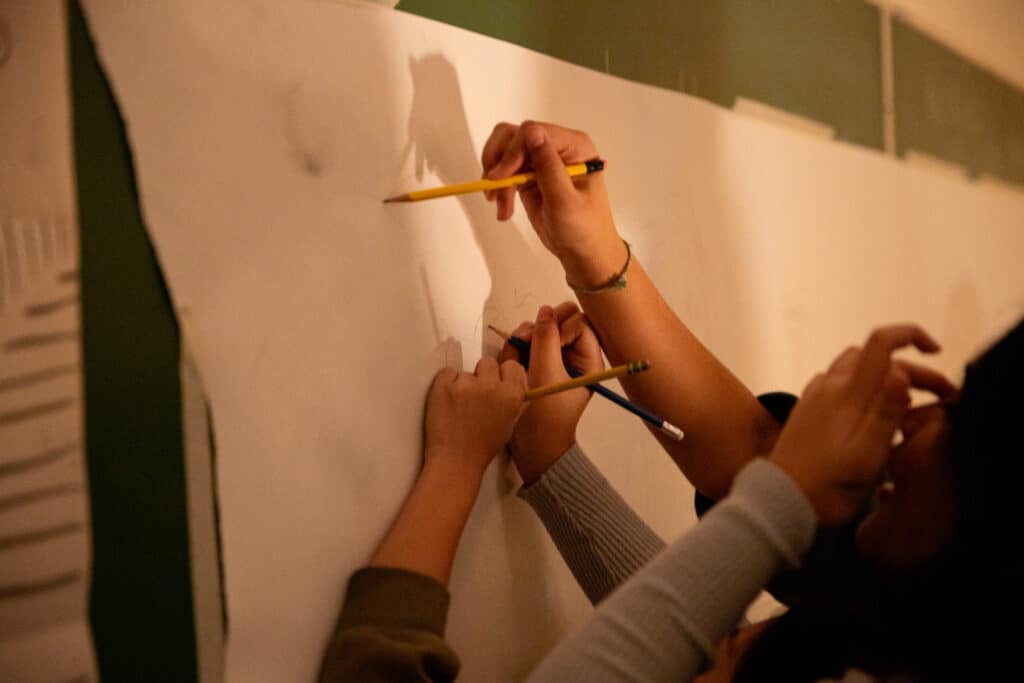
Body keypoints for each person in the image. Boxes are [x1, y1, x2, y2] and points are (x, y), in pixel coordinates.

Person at [318, 120, 1019, 681]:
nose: (916, 416)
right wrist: (594, 258)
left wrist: (452, 465)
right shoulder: (905, 623)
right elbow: (703, 653)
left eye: (956, 427)